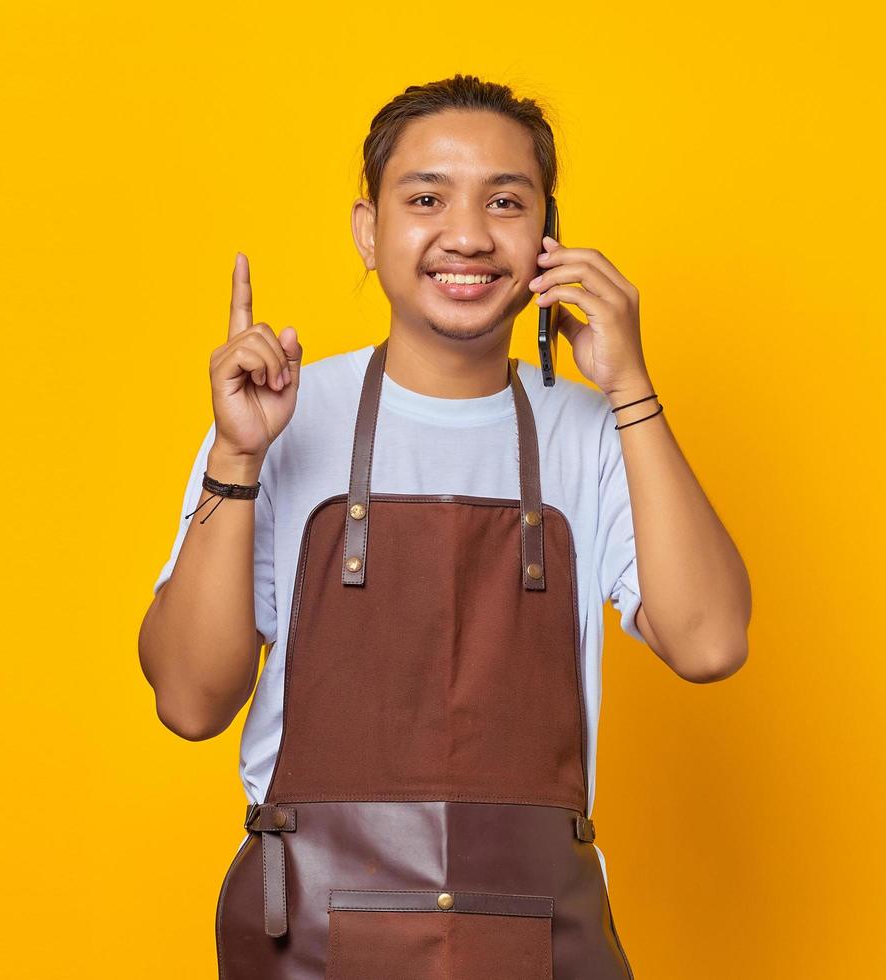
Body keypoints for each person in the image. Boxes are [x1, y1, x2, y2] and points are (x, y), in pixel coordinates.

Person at [138, 73, 751, 979]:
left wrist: (630, 389)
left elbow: (709, 641)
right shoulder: (279, 417)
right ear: (369, 229)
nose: (466, 234)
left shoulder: (594, 432)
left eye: (505, 201)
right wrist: (237, 459)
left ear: (547, 237)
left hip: (537, 937)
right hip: (308, 937)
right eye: (426, 197)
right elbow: (189, 702)